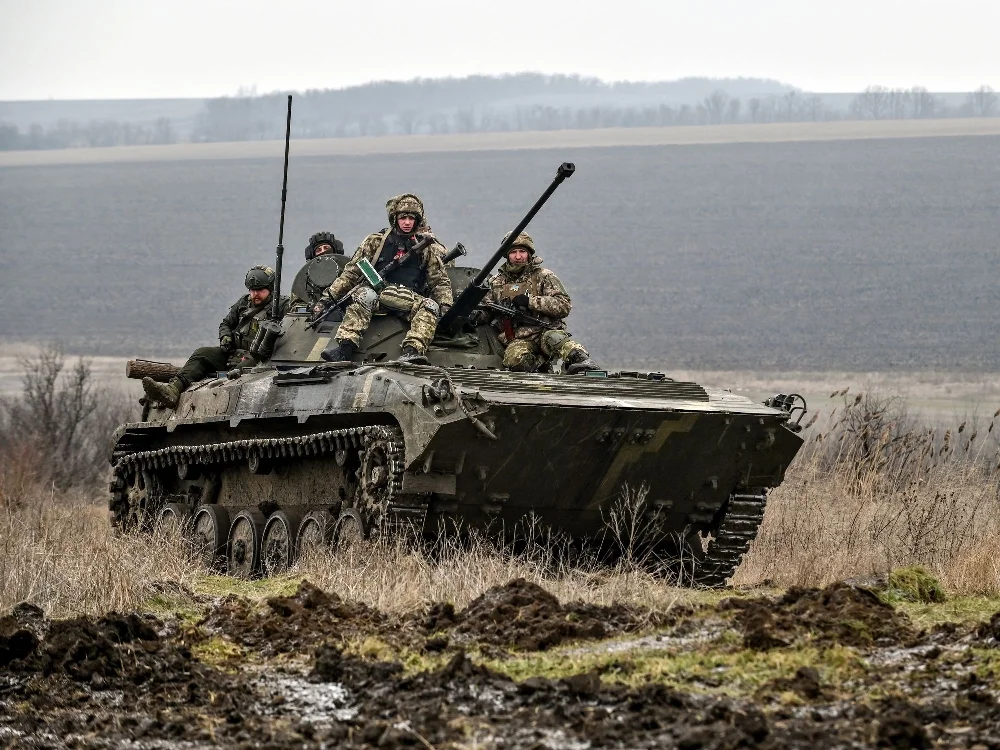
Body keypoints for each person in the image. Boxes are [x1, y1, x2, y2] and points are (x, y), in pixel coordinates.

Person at [317, 193, 453, 364]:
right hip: (379, 296)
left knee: (430, 306)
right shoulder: (376, 242)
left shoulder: (426, 249)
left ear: (417, 221)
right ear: (395, 218)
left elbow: (439, 281)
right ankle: (345, 348)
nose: (407, 222)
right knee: (364, 294)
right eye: (403, 217)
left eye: (411, 218)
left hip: (409, 300)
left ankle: (412, 351)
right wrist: (326, 300)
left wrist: (446, 305)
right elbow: (351, 273)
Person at [142, 265, 290, 408]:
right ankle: (172, 390)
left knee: (234, 377)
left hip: (258, 359)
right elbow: (226, 323)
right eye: (252, 290)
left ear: (270, 289)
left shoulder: (282, 305)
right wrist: (225, 337)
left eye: (260, 290)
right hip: (233, 354)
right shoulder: (244, 303)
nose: (255, 294)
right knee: (202, 354)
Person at [473, 232, 599, 374]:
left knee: (557, 340)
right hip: (519, 337)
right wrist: (476, 315)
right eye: (513, 252)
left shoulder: (544, 276)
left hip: (545, 330)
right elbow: (487, 308)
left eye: (522, 251)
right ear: (507, 255)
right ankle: (540, 364)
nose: (518, 256)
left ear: (529, 254)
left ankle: (584, 362)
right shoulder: (496, 282)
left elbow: (564, 305)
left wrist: (531, 301)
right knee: (514, 359)